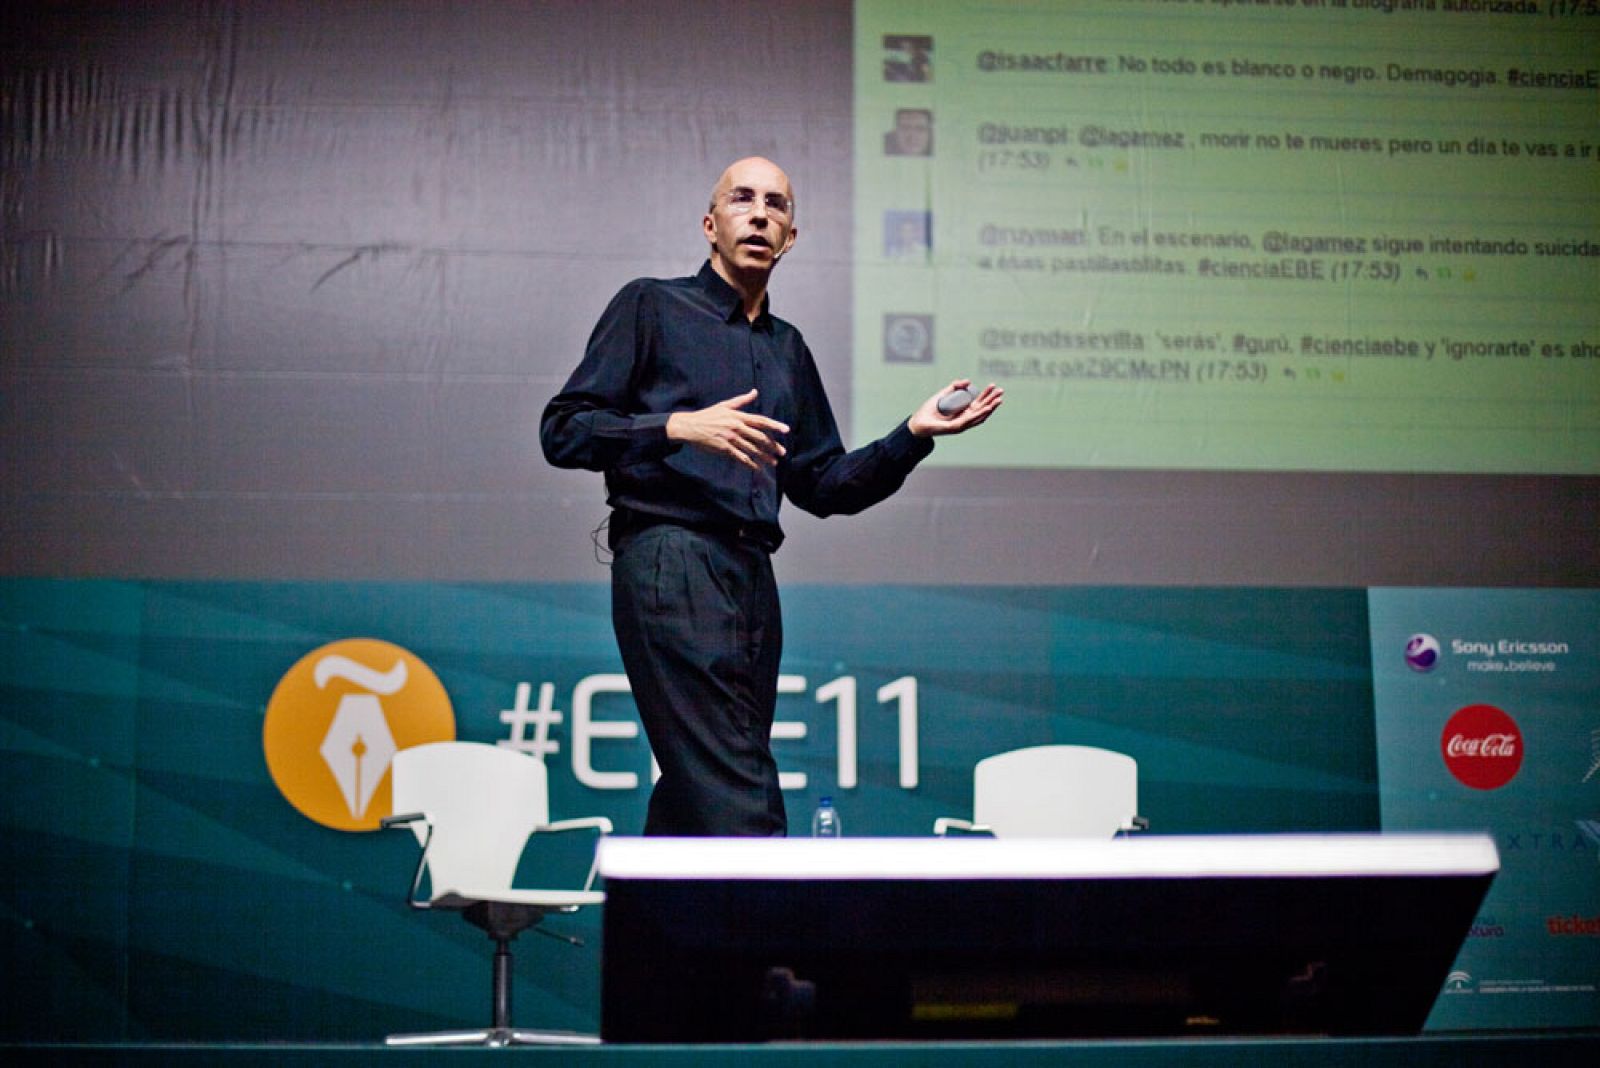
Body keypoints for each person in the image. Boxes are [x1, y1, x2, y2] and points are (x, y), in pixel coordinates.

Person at [541, 157, 1001, 836]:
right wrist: (677, 426)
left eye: (777, 205)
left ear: (789, 237)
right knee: (735, 780)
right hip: (672, 557)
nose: (760, 213)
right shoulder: (652, 305)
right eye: (742, 199)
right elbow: (564, 431)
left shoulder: (788, 350)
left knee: (702, 785)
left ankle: (661, 933)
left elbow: (823, 486)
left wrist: (914, 433)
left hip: (750, 574)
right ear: (710, 224)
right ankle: (780, 937)